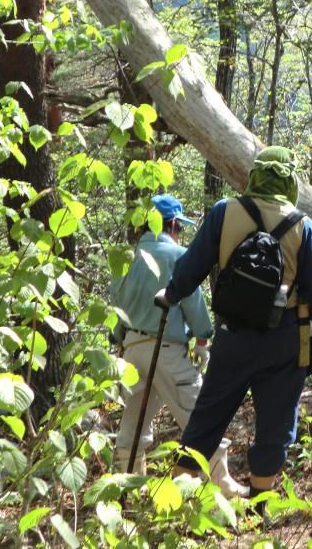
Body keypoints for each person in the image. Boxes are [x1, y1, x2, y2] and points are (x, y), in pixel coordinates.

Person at [155, 145, 312, 501]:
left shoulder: (225, 212)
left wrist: (170, 295)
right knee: (275, 427)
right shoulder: (304, 226)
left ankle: (172, 508)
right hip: (284, 340)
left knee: (207, 418)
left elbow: (191, 267)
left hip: (232, 336)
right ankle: (259, 509)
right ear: (290, 181)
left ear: (255, 177)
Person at [109, 194, 246, 497]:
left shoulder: (125, 259)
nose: (179, 233)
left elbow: (115, 308)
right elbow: (192, 302)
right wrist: (202, 337)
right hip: (167, 351)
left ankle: (129, 492)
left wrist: (118, 340)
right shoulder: (178, 258)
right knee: (201, 415)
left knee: (132, 424)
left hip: (131, 349)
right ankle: (223, 486)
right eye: (179, 227)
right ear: (171, 223)